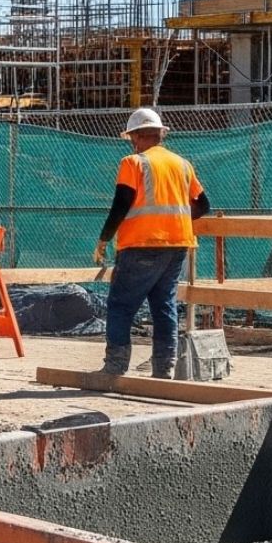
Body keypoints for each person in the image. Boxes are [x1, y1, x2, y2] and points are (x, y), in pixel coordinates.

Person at [92, 107, 211, 379]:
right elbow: (203, 204)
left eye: (133, 138)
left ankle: (115, 367)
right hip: (177, 245)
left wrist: (103, 238)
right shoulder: (182, 164)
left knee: (121, 305)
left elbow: (121, 204)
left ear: (136, 136)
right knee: (164, 306)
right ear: (159, 134)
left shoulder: (133, 163)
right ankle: (164, 369)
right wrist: (175, 220)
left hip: (141, 244)